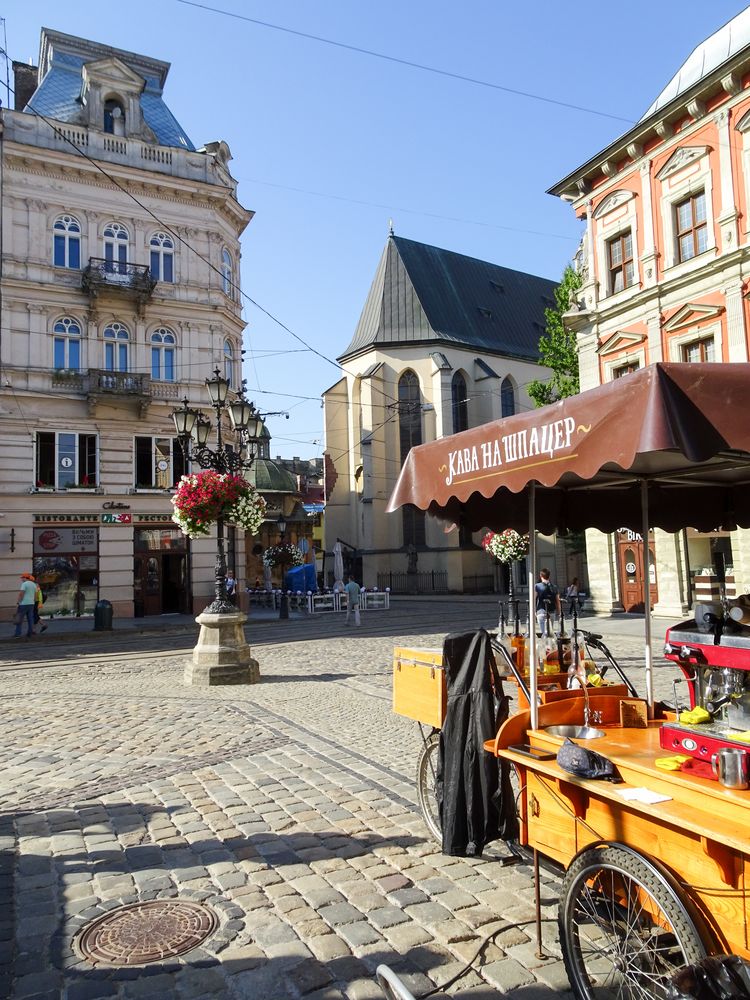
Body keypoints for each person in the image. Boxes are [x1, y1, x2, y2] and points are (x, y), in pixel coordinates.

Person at [535, 568, 561, 635]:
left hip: (541, 611)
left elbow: (534, 599)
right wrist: (559, 613)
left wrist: (534, 611)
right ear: (549, 576)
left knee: (544, 633)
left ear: (541, 576)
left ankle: (545, 644)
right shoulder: (555, 587)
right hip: (552, 612)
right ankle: (549, 645)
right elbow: (557, 601)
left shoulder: (537, 586)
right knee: (550, 633)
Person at [14, 572, 37, 639]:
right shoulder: (33, 584)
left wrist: (18, 602)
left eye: (22, 578)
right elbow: (35, 595)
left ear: (25, 578)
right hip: (31, 604)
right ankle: (29, 633)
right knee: (30, 619)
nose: (21, 579)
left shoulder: (24, 584)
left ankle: (17, 634)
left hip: (23, 604)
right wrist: (33, 601)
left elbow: (21, 594)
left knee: (19, 619)